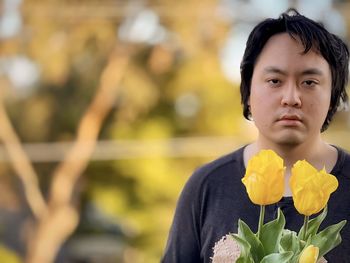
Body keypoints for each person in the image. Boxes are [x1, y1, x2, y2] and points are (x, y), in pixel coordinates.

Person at [161, 8, 350, 263]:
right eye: (274, 80)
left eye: (309, 82)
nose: (291, 98)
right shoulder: (207, 186)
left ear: (332, 96)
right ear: (249, 91)